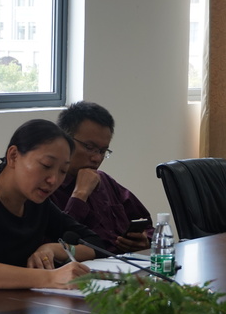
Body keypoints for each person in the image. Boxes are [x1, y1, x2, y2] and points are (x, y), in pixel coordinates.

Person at [0, 119, 104, 291]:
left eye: (62, 171)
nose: (53, 180)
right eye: (46, 165)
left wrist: (54, 249)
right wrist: (51, 277)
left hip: (16, 302)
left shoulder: (36, 202)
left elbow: (95, 244)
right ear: (13, 156)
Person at [51, 101, 153, 254]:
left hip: (127, 263)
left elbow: (146, 224)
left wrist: (145, 239)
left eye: (103, 151)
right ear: (64, 141)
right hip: (85, 266)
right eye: (89, 147)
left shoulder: (105, 181)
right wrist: (80, 195)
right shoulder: (47, 187)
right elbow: (58, 243)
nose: (97, 158)